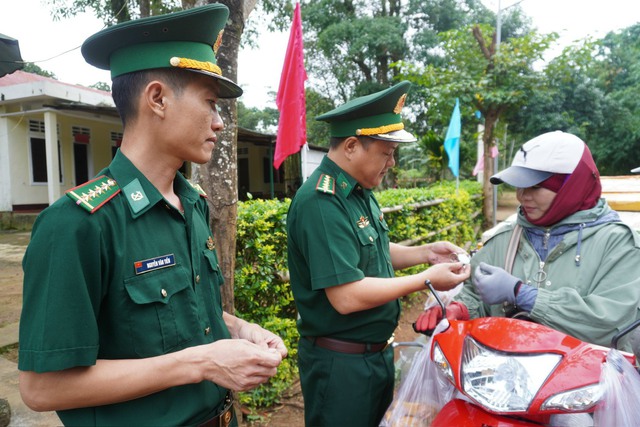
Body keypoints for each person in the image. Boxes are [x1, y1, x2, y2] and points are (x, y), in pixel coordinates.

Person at [18, 5, 287, 427]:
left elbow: (186, 315)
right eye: (210, 103)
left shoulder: (192, 204)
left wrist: (237, 330)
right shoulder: (79, 224)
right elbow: (41, 388)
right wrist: (201, 363)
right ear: (157, 98)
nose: (219, 123)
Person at [286, 81, 470, 427]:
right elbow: (346, 296)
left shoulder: (357, 191)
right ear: (353, 146)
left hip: (373, 355)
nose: (392, 162)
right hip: (341, 365)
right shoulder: (321, 202)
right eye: (386, 152)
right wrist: (425, 280)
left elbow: (373, 249)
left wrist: (426, 253)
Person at [414, 131, 640, 353]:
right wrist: (459, 309)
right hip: (509, 380)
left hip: (588, 384)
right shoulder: (505, 239)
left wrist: (522, 294)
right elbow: (476, 293)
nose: (522, 196)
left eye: (535, 186)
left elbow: (610, 322)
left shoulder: (619, 245)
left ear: (572, 185)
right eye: (519, 186)